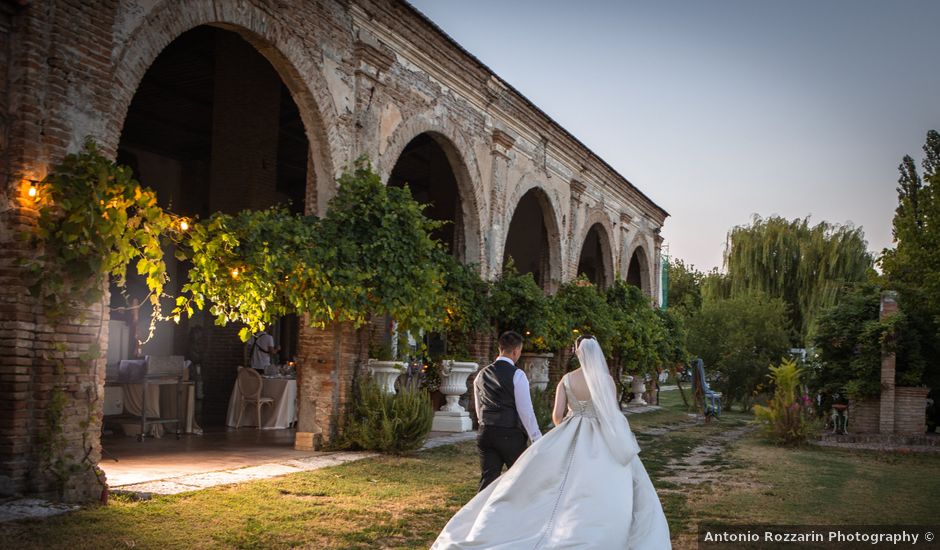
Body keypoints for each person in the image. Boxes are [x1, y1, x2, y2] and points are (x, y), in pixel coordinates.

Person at [433, 335, 671, 549]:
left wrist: (569, 428)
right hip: (600, 436)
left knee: (556, 483)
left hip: (567, 430)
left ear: (577, 353)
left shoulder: (566, 380)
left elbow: (557, 416)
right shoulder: (606, 381)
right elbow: (611, 414)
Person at [472, 330, 542, 492]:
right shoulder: (518, 375)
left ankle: (482, 515)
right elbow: (526, 411)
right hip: (510, 435)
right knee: (521, 481)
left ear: (500, 348)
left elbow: (479, 408)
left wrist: (484, 426)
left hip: (486, 433)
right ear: (516, 350)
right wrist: (536, 438)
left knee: (487, 482)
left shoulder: (481, 374)